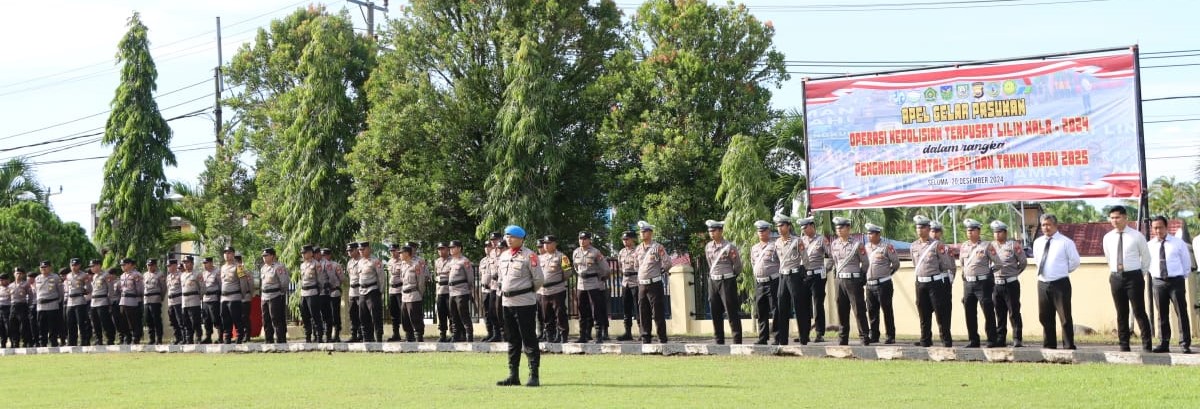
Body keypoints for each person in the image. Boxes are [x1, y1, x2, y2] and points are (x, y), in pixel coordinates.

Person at [495, 225, 544, 387]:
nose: (508, 239)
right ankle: (513, 375)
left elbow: (538, 280)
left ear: (521, 239)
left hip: (524, 303)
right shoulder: (503, 256)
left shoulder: (530, 256)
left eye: (512, 237)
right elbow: (501, 279)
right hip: (507, 302)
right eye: (507, 236)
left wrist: (525, 292)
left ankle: (534, 375)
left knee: (528, 338)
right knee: (512, 339)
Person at [1101, 205, 1153, 352]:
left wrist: (1139, 274)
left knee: (1139, 311)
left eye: (1117, 217)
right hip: (1116, 277)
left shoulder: (1137, 236)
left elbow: (1146, 258)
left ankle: (1147, 345)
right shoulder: (1108, 237)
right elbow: (1108, 257)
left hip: (1134, 277)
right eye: (1112, 218)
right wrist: (1115, 271)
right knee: (1121, 312)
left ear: (1125, 218)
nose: (1114, 220)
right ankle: (1124, 344)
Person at [1032, 214, 1080, 349]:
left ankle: (1069, 345)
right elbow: (1037, 259)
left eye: (1048, 224)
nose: (1045, 228)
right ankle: (1049, 345)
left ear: (1055, 225)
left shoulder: (1066, 242)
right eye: (1043, 225)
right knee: (1045, 317)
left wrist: (1062, 271)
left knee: (1064, 317)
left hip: (1060, 283)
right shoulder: (1038, 242)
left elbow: (1075, 262)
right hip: (1042, 283)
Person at [1147, 216, 1192, 354]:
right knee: (1162, 314)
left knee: (1181, 312)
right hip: (1158, 282)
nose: (1158, 230)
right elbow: (1147, 263)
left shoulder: (1178, 243)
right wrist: (1155, 275)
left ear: (1166, 227)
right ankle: (1164, 343)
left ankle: (1184, 343)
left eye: (1160, 227)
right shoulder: (1150, 245)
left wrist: (1181, 276)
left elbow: (1186, 262)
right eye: (1155, 228)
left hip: (1176, 281)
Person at [910, 215, 955, 347]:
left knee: (941, 313)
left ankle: (946, 340)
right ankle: (925, 339)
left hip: (935, 283)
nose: (920, 230)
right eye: (918, 227)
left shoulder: (937, 245)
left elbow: (946, 265)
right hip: (920, 282)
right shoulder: (913, 246)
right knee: (923, 313)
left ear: (928, 229)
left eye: (923, 227)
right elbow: (915, 263)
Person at [959, 219, 999, 348]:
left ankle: (992, 339)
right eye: (968, 230)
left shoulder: (986, 246)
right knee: (969, 312)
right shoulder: (964, 246)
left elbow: (998, 263)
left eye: (972, 230)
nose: (969, 232)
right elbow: (962, 264)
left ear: (978, 231)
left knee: (988, 311)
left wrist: (989, 273)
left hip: (983, 283)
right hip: (968, 284)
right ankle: (973, 340)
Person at [830, 217, 870, 346]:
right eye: (837, 228)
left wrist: (861, 277)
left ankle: (864, 337)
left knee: (859, 310)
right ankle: (843, 338)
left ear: (848, 228)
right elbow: (835, 262)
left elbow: (865, 263)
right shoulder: (834, 244)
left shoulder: (857, 244)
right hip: (840, 280)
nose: (838, 230)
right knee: (841, 310)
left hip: (853, 280)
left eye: (841, 227)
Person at [988, 220, 1026, 347]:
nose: (997, 235)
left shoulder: (1013, 245)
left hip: (1011, 283)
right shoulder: (991, 246)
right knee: (999, 312)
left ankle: (1017, 338)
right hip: (996, 284)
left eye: (999, 232)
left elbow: (1023, 262)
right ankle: (1001, 338)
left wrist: (1014, 273)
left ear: (1005, 232)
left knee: (1014, 312)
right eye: (994, 232)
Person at [772, 215, 809, 345]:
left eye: (782, 225)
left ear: (788, 226)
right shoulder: (777, 243)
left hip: (794, 276)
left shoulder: (797, 241)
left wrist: (805, 274)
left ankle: (803, 338)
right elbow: (776, 260)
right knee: (782, 307)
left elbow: (805, 259)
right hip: (782, 276)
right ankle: (782, 340)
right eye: (778, 226)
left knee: (799, 307)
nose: (779, 228)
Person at [863, 222, 899, 345]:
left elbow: (895, 264)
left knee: (887, 310)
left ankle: (890, 336)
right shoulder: (866, 247)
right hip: (869, 284)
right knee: (872, 311)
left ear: (878, 234)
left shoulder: (886, 247)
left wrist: (887, 274)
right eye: (868, 233)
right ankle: (874, 335)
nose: (869, 235)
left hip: (883, 284)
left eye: (871, 233)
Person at [636, 221, 670, 344]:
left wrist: (659, 272)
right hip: (642, 284)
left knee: (657, 313)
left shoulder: (658, 247)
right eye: (641, 231)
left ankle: (662, 338)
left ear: (650, 233)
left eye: (644, 231)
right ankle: (646, 338)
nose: (642, 233)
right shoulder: (638, 249)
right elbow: (636, 266)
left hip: (654, 283)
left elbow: (667, 263)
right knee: (643, 312)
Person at [574, 231, 611, 343]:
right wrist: (580, 273)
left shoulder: (595, 252)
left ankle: (599, 335)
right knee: (581, 310)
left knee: (596, 310)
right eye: (580, 238)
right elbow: (576, 267)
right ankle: (583, 335)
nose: (582, 241)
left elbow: (606, 269)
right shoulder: (576, 252)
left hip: (593, 283)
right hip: (581, 284)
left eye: (585, 239)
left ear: (589, 240)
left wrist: (601, 278)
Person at [799, 217, 831, 343]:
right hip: (805, 275)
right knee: (804, 305)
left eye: (805, 227)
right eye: (802, 228)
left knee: (817, 305)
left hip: (818, 275)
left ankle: (819, 333)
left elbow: (831, 256)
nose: (803, 230)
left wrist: (826, 270)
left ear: (812, 226)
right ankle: (805, 333)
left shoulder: (821, 239)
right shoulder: (801, 241)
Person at [750, 220, 780, 345]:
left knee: (775, 310)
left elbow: (781, 262)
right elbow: (752, 263)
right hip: (760, 283)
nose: (761, 233)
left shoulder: (775, 246)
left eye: (763, 230)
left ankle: (777, 337)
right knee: (761, 311)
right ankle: (763, 337)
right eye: (759, 231)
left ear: (768, 231)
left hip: (773, 281)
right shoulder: (754, 248)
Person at [536, 235, 569, 344]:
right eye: (545, 243)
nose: (546, 245)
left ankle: (562, 335)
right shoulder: (540, 258)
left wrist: (556, 281)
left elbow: (567, 273)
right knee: (546, 315)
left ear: (555, 244)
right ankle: (550, 335)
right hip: (543, 291)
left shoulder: (561, 257)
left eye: (549, 243)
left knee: (560, 314)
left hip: (557, 290)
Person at [447, 240, 475, 342]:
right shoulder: (451, 261)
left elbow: (470, 278)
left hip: (461, 291)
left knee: (464, 315)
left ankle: (469, 336)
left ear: (459, 248)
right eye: (450, 248)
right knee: (453, 315)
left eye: (453, 247)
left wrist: (468, 290)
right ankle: (456, 335)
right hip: (452, 291)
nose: (451, 249)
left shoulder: (464, 261)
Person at [357, 241, 385, 342]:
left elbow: (381, 277)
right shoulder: (360, 262)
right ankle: (367, 339)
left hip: (372, 290)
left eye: (362, 249)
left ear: (368, 249)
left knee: (376, 316)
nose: (360, 251)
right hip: (362, 291)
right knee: (363, 316)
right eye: (359, 249)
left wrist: (380, 291)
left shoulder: (375, 261)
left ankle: (378, 339)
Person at [261, 247, 290, 343]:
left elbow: (284, 282)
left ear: (272, 256)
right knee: (266, 319)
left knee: (276, 319)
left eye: (266, 255)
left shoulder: (278, 267)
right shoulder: (263, 268)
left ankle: (280, 339)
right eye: (263, 256)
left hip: (275, 295)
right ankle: (268, 339)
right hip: (264, 296)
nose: (264, 257)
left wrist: (281, 293)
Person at [218, 247, 247, 344]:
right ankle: (227, 337)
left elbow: (243, 282)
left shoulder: (239, 266)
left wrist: (242, 295)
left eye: (229, 253)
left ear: (233, 254)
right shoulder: (222, 267)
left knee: (236, 318)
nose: (227, 254)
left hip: (234, 297)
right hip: (224, 298)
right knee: (225, 319)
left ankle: (239, 336)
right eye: (225, 253)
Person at [297, 245, 325, 343]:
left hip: (313, 292)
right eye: (302, 253)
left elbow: (321, 280)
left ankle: (319, 336)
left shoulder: (316, 264)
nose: (303, 255)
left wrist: (318, 291)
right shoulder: (302, 265)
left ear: (310, 253)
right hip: (303, 293)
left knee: (315, 315)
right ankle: (308, 336)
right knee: (305, 316)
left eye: (305, 253)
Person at [616, 230, 640, 341]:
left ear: (632, 239)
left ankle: (642, 332)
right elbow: (620, 266)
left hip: (635, 281)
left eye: (627, 239)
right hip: (625, 282)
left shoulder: (638, 251)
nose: (625, 241)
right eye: (623, 239)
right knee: (626, 308)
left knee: (638, 308)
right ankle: (628, 333)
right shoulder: (621, 252)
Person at [64, 258, 93, 346]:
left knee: (81, 322)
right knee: (70, 323)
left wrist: (83, 290)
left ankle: (84, 341)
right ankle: (72, 341)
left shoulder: (84, 275)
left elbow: (89, 288)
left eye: (76, 265)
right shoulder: (68, 275)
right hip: (70, 301)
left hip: (80, 300)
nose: (74, 267)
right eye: (72, 265)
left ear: (79, 265)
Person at [479, 238, 501, 342]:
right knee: (488, 313)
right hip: (486, 289)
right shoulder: (484, 260)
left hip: (497, 288)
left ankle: (501, 333)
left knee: (498, 312)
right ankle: (491, 333)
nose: (487, 248)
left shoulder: (501, 254)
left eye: (489, 245)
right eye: (486, 246)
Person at [117, 258, 144, 345]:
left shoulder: (136, 275)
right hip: (123, 300)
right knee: (123, 320)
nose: (122, 267)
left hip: (133, 301)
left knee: (133, 320)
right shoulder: (122, 276)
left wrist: (138, 300)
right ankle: (127, 337)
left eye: (124, 265)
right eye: (121, 265)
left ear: (129, 264)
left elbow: (140, 289)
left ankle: (135, 337)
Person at [319, 248, 343, 342]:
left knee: (335, 314)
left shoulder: (335, 265)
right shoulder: (319, 265)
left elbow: (341, 278)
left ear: (329, 255)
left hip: (334, 292)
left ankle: (336, 334)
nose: (323, 257)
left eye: (325, 255)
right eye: (322, 255)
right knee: (326, 315)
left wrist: (335, 285)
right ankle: (327, 334)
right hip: (324, 293)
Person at [142, 259, 167, 345]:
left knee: (156, 320)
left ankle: (159, 338)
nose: (149, 267)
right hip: (146, 300)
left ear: (155, 266)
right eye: (148, 265)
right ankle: (151, 338)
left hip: (155, 299)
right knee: (148, 320)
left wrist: (161, 297)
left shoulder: (160, 274)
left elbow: (163, 288)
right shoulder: (145, 275)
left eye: (151, 265)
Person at [180, 256, 203, 344]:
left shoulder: (197, 274)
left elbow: (203, 288)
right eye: (184, 263)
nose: (185, 264)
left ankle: (198, 337)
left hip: (194, 301)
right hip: (184, 301)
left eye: (187, 262)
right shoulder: (182, 275)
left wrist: (199, 297)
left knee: (195, 321)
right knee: (186, 322)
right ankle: (189, 339)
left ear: (192, 263)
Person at [433, 242, 454, 342]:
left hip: (449, 291)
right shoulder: (437, 262)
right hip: (440, 291)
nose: (440, 251)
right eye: (439, 249)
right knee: (441, 314)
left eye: (443, 249)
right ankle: (442, 335)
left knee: (451, 313)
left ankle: (453, 334)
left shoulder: (452, 260)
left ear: (447, 250)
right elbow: (436, 276)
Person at [386, 243, 407, 342]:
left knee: (403, 312)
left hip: (400, 289)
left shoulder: (402, 261)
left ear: (398, 250)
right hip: (392, 290)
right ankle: (396, 334)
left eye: (394, 250)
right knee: (393, 314)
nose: (392, 253)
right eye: (391, 251)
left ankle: (408, 333)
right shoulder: (389, 262)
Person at [8, 268, 33, 347]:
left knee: (24, 325)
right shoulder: (10, 285)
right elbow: (9, 297)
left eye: (20, 273)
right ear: (14, 274)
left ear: (22, 275)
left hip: (22, 305)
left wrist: (28, 305)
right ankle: (15, 342)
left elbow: (31, 296)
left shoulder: (26, 284)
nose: (18, 275)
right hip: (13, 306)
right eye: (16, 273)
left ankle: (26, 342)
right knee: (13, 324)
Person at [199, 256, 222, 344]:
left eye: (206, 263)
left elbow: (221, 285)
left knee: (216, 318)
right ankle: (208, 337)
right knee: (206, 319)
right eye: (204, 263)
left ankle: (220, 337)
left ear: (211, 263)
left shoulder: (217, 272)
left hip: (214, 299)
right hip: (205, 299)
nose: (205, 265)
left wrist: (220, 298)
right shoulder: (203, 273)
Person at [346, 242, 363, 342]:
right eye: (348, 251)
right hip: (352, 291)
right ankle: (354, 334)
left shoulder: (362, 261)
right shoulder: (350, 263)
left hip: (360, 290)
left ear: (357, 250)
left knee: (362, 313)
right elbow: (350, 276)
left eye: (351, 250)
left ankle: (361, 334)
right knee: (352, 314)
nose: (349, 252)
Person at [165, 259, 184, 344]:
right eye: (168, 266)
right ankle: (177, 338)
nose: (168, 268)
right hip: (171, 302)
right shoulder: (168, 277)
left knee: (180, 320)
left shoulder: (181, 275)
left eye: (170, 266)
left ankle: (184, 338)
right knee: (173, 321)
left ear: (175, 266)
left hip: (178, 301)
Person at [0, 273, 10, 348]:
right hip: (0, 309)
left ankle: (13, 342)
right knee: (1, 327)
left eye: (3, 280)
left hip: (8, 308)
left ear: (7, 280)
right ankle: (3, 343)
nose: (1, 281)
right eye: (0, 280)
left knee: (8, 327)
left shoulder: (11, 287)